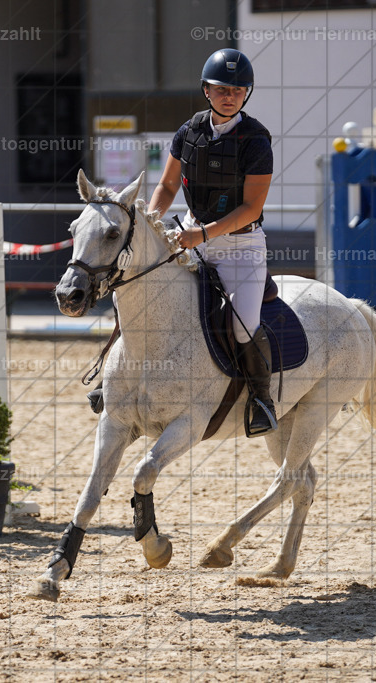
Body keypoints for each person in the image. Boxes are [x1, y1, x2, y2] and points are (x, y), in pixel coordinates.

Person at [148, 48, 277, 437]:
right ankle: (115, 378)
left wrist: (202, 235)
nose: (230, 95)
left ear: (246, 94)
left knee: (242, 324)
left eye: (238, 90)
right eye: (222, 88)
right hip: (190, 234)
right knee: (145, 291)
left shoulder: (256, 139)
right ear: (206, 90)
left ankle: (261, 399)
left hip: (240, 247)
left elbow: (252, 207)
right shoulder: (188, 131)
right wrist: (152, 225)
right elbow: (168, 185)